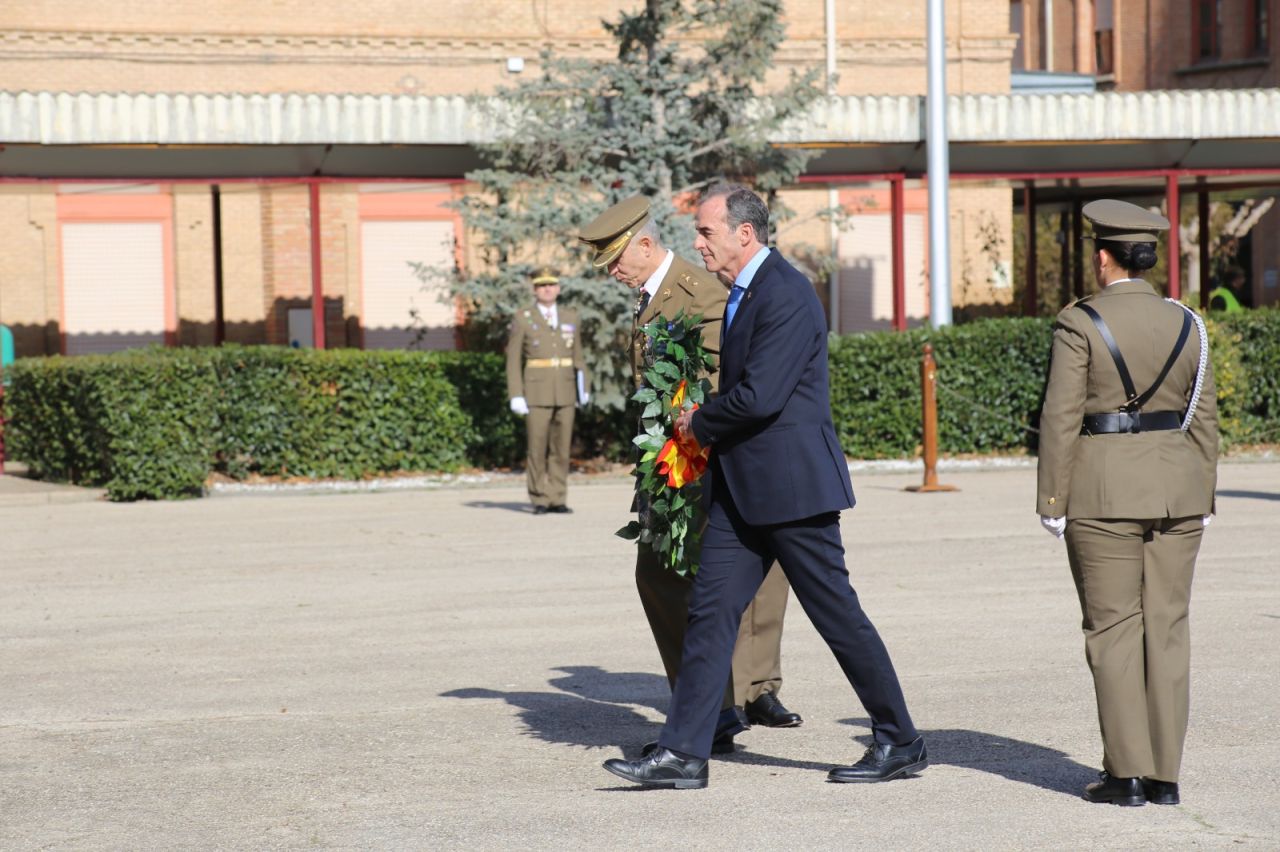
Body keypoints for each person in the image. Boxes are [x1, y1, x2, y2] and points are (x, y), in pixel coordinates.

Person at [602, 184, 925, 789]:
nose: (698, 244)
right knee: (709, 613)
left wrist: (698, 421)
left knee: (838, 616)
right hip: (742, 489)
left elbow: (760, 397)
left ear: (743, 233)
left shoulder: (785, 293)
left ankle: (900, 740)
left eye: (706, 232)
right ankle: (684, 752)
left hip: (792, 490)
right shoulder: (744, 291)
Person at [578, 196, 801, 754]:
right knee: (663, 576)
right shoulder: (651, 295)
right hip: (667, 460)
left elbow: (725, 382)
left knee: (723, 578)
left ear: (645, 245)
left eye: (616, 260)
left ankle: (732, 700)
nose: (612, 272)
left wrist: (690, 437)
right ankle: (713, 706)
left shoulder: (699, 292)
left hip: (702, 459)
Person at [1038, 199, 1218, 807]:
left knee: (1113, 629)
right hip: (1178, 490)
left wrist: (1052, 497)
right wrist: (1205, 491)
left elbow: (1061, 416)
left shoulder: (1079, 322)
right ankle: (1166, 776)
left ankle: (1127, 775)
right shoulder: (1188, 323)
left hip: (1104, 492)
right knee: (1168, 628)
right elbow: (1203, 418)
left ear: (1102, 258)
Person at [505, 268, 588, 515]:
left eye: (551, 284)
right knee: (537, 448)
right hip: (536, 392)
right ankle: (539, 497)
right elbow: (513, 359)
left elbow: (578, 356)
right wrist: (516, 394)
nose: (547, 289)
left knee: (562, 448)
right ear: (535, 290)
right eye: (542, 285)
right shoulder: (523, 318)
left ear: (559, 288)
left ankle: (557, 497)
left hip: (565, 390)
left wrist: (584, 387)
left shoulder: (571, 317)